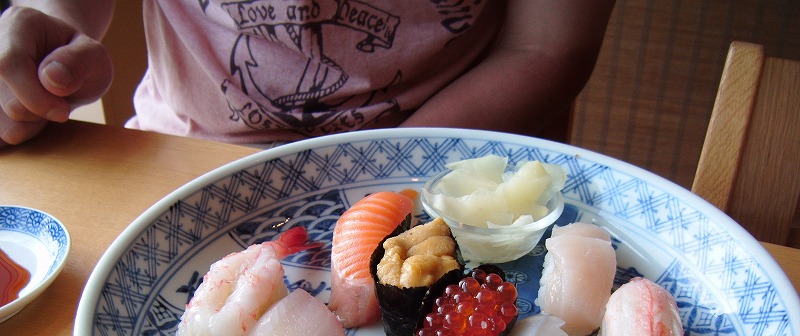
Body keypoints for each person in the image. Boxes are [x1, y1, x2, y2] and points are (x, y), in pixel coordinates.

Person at [0, 0, 615, 148]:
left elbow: (546, 49)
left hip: (438, 162)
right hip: (184, 153)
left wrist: (379, 169)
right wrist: (55, 29)